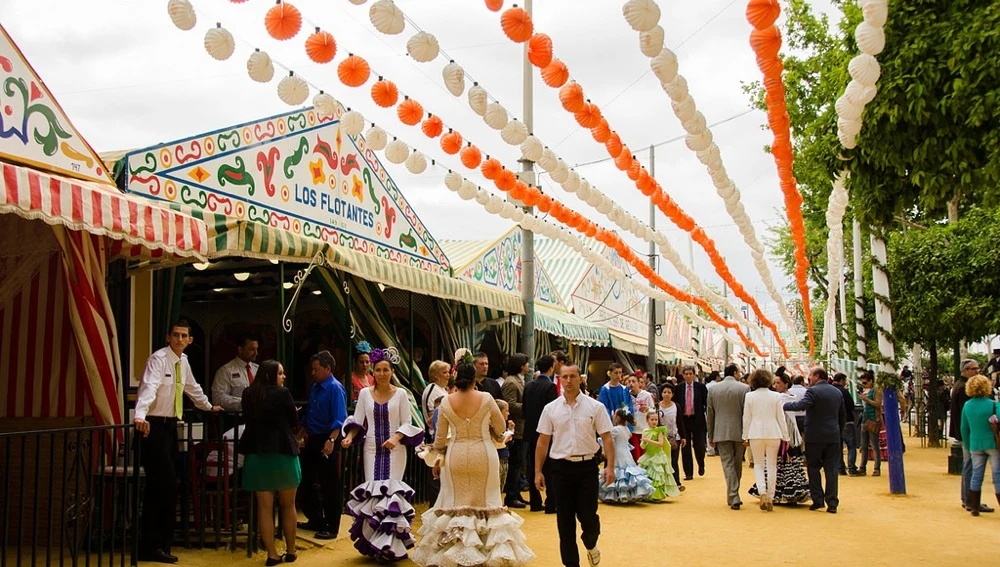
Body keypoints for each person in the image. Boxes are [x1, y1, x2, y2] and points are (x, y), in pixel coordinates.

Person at [410, 362, 534, 567]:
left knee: (456, 504)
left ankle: (457, 552)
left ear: (455, 378)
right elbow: (501, 426)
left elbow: (440, 439)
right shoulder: (485, 398)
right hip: (483, 454)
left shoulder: (447, 402)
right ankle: (485, 554)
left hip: (456, 455)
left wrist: (437, 459)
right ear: (474, 378)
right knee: (487, 503)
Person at [133, 320, 222, 563]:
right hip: (153, 425)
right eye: (175, 335)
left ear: (190, 340)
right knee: (164, 486)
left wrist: (208, 406)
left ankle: (159, 544)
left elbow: (192, 388)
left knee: (165, 487)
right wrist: (139, 416)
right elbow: (148, 388)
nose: (180, 339)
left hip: (170, 428)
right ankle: (152, 545)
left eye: (184, 336)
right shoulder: (158, 359)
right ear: (168, 337)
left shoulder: (182, 361)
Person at [341, 346, 424, 562]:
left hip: (396, 451)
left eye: (386, 370)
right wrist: (349, 437)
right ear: (373, 372)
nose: (381, 374)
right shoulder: (365, 394)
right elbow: (358, 421)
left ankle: (392, 545)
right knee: (375, 495)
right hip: (371, 449)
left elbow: (407, 422)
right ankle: (375, 544)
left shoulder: (402, 394)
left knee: (392, 494)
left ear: (392, 372)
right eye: (378, 370)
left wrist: (396, 438)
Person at [535, 364, 615, 567]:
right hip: (560, 469)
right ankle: (571, 563)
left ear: (580, 378)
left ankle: (590, 543)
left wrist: (610, 466)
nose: (568, 381)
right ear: (559, 379)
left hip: (587, 467)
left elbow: (607, 437)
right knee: (565, 521)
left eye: (572, 376)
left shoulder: (595, 407)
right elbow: (543, 441)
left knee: (588, 516)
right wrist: (537, 471)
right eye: (564, 377)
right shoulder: (550, 409)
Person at [238, 360, 300, 565]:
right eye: (280, 373)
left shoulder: (248, 393)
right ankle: (291, 551)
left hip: (256, 454)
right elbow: (294, 420)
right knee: (288, 505)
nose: (283, 377)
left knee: (264, 508)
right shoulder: (282, 394)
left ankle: (272, 554)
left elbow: (247, 416)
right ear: (271, 375)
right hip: (283, 452)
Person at [297, 350, 347, 540]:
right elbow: (309, 414)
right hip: (313, 437)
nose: (313, 373)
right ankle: (316, 518)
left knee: (329, 484)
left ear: (327, 369)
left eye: (316, 369)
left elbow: (339, 418)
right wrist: (301, 434)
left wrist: (332, 440)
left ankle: (332, 525)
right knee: (306, 479)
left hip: (328, 437)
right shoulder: (316, 387)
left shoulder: (335, 388)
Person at [783, 367, 847, 513]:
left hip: (815, 436)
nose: (809, 378)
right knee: (831, 470)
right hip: (833, 436)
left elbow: (801, 406)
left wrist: (783, 405)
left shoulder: (812, 391)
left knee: (813, 468)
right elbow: (842, 415)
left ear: (817, 376)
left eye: (811, 375)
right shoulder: (836, 391)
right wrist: (839, 431)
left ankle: (818, 500)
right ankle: (832, 503)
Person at [741, 369, 789, 512]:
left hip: (755, 433)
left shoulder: (749, 396)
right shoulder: (775, 396)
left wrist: (745, 436)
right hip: (773, 432)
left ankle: (761, 491)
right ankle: (770, 497)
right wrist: (786, 437)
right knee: (772, 465)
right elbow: (781, 417)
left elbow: (746, 418)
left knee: (759, 465)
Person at [952, 359, 994, 513]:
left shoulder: (960, 386)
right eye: (974, 368)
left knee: (970, 467)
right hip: (970, 436)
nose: (977, 371)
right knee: (972, 467)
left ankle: (969, 499)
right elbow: (968, 418)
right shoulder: (964, 389)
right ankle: (969, 499)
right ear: (965, 370)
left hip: (967, 435)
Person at [707, 363, 750, 510]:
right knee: (737, 464)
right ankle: (734, 495)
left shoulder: (713, 389)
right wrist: (748, 433)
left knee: (728, 464)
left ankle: (733, 495)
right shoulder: (744, 389)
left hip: (721, 431)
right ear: (735, 372)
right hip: (740, 431)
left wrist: (710, 434)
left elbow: (710, 414)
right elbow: (747, 413)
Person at [960, 374, 1000, 516]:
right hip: (992, 443)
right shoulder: (993, 405)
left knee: (976, 474)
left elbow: (964, 428)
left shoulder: (967, 406)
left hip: (975, 444)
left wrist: (968, 443)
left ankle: (974, 506)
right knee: (997, 474)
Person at [524, 354, 559, 513]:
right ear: (551, 368)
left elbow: (525, 409)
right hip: (546, 432)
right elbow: (554, 411)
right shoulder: (550, 387)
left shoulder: (529, 385)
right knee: (549, 468)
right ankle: (551, 503)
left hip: (531, 431)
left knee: (533, 466)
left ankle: (535, 502)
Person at [598, 409, 655, 503]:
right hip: (626, 452)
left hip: (618, 452)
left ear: (618, 417)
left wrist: (600, 440)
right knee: (628, 470)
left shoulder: (616, 429)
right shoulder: (626, 429)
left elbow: (605, 439)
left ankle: (617, 494)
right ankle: (629, 493)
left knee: (619, 471)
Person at [502, 353, 530, 508]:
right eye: (526, 363)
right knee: (515, 463)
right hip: (516, 427)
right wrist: (527, 407)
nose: (528, 365)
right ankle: (511, 495)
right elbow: (509, 404)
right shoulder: (511, 383)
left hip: (521, 427)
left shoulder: (518, 381)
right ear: (521, 365)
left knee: (520, 463)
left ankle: (516, 492)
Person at [421, 360, 451, 505]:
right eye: (444, 373)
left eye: (448, 372)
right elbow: (433, 416)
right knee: (435, 474)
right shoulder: (433, 389)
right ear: (435, 375)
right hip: (435, 436)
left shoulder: (443, 390)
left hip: (445, 436)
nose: (448, 375)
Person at [637, 410, 681, 500]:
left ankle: (656, 495)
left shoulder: (659, 431)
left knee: (657, 476)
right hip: (648, 456)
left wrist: (649, 441)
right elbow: (642, 446)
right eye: (652, 420)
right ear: (647, 421)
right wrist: (644, 443)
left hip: (658, 456)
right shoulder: (645, 431)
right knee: (647, 474)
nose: (654, 422)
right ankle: (647, 494)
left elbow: (661, 444)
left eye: (656, 420)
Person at [673, 365, 708, 480]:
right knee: (685, 446)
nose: (688, 376)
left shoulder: (701, 387)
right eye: (686, 374)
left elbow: (706, 403)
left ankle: (701, 463)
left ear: (694, 375)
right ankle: (688, 472)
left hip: (697, 419)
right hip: (684, 420)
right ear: (683, 375)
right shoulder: (678, 388)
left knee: (699, 445)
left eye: (690, 374)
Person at [211, 334, 259, 411]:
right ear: (240, 349)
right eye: (251, 349)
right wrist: (244, 403)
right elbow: (218, 398)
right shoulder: (226, 371)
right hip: (236, 418)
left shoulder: (258, 369)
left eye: (256, 349)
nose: (256, 353)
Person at [656, 385, 686, 490]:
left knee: (674, 460)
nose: (666, 394)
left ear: (672, 394)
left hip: (674, 437)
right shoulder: (657, 406)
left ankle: (676, 482)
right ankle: (664, 483)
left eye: (669, 392)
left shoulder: (676, 406)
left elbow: (680, 422)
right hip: (661, 438)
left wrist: (683, 436)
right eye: (664, 392)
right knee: (663, 460)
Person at [831, 373, 859, 476]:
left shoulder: (830, 391)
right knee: (851, 446)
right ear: (842, 380)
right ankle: (852, 468)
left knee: (838, 447)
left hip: (834, 422)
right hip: (847, 421)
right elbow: (851, 405)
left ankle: (840, 468)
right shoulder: (844, 391)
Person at [858, 371, 882, 477]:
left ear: (871, 381)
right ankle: (862, 467)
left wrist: (866, 399)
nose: (863, 385)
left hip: (873, 420)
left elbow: (878, 404)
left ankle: (877, 468)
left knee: (874, 445)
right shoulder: (865, 390)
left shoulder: (876, 390)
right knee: (864, 445)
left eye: (865, 382)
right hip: (865, 420)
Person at [627, 374, 655, 461]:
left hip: (645, 430)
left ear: (639, 383)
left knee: (645, 456)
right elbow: (624, 409)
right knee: (636, 456)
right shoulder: (627, 396)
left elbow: (654, 410)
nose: (631, 384)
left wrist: (647, 409)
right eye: (629, 382)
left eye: (633, 381)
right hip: (633, 430)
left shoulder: (646, 395)